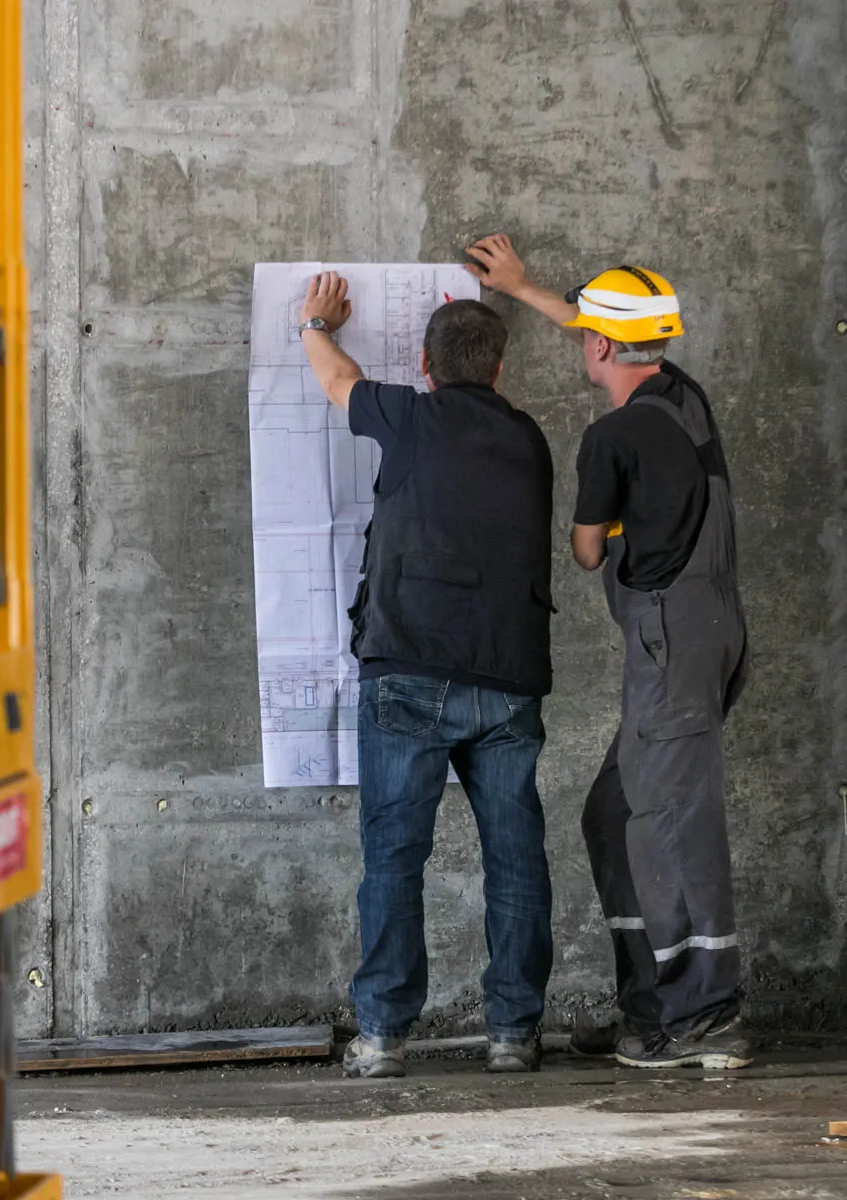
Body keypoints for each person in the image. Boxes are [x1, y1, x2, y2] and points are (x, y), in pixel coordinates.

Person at [465, 235, 753, 1069]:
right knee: (617, 815)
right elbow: (596, 328)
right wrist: (521, 288)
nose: (580, 341)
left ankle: (707, 1016)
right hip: (710, 636)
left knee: (670, 824)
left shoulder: (611, 441)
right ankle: (654, 1005)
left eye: (586, 334)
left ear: (599, 347)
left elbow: (588, 552)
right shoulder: (683, 398)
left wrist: (610, 519)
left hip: (668, 645)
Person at [296, 271, 557, 1078]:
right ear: (501, 370)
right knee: (514, 859)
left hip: (409, 668)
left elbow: (336, 379)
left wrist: (314, 322)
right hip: (508, 678)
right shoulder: (531, 440)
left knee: (395, 860)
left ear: (424, 364)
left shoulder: (407, 417)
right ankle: (513, 1033)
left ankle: (381, 1037)